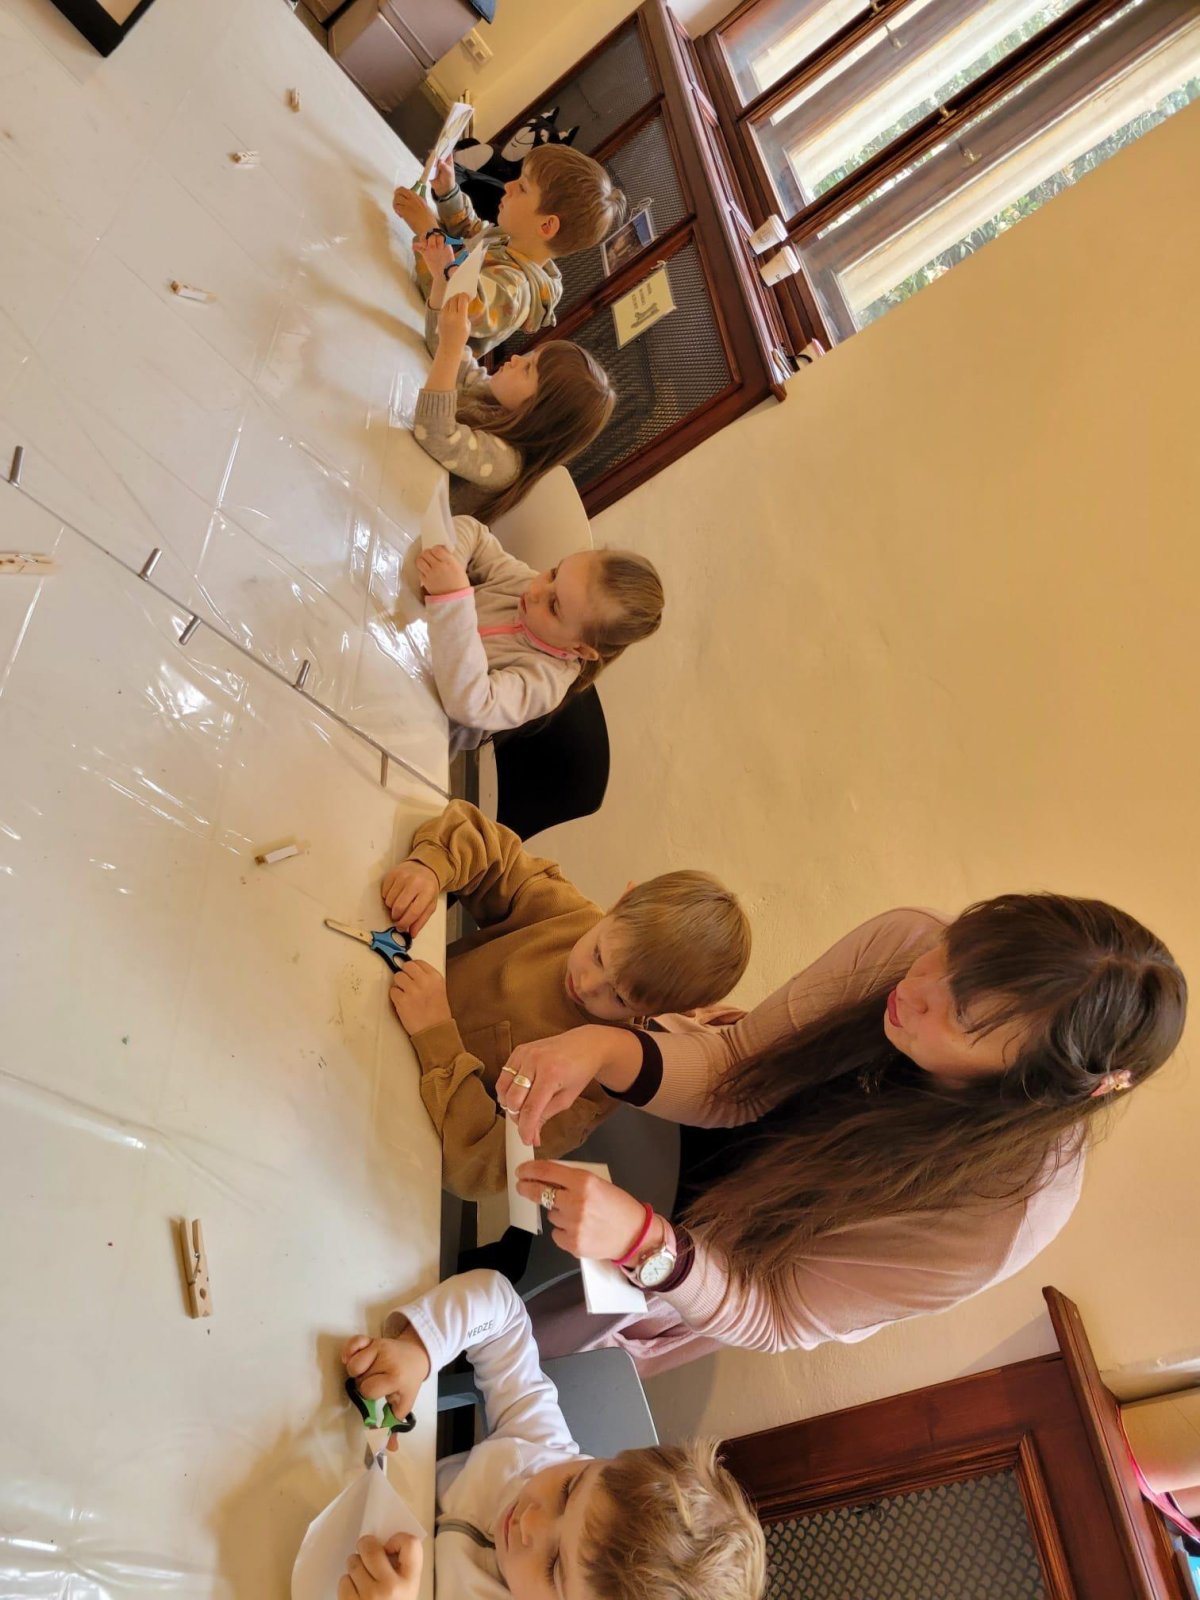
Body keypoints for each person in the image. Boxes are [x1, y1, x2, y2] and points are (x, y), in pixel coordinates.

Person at [484, 896, 1186, 1375]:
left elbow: (774, 1310)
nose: (918, 986)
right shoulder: (908, 942)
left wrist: (645, 1245)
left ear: (1031, 1084)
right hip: (676, 1134)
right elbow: (738, 1072)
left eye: (963, 1015)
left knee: (487, 1323)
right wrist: (603, 1048)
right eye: (951, 953)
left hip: (707, 1264)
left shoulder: (1004, 1211)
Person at [380, 800, 751, 1199]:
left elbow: (482, 1168)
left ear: (660, 1012)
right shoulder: (568, 916)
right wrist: (431, 866)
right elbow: (482, 839)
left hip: (388, 1111)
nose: (588, 984)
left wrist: (437, 1036)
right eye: (598, 955)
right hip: (371, 999)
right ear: (620, 902)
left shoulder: (589, 1088)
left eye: (619, 998)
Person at [334, 1269, 766, 1600]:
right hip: (346, 1476)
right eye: (568, 1490)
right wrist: (421, 1348)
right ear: (604, 1460)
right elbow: (501, 1311)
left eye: (555, 1566)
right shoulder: (542, 1448)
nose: (530, 1521)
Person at [416, 521, 663, 753]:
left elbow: (471, 705)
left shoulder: (544, 682)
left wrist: (453, 601)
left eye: (554, 606)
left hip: (419, 731)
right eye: (554, 574)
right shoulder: (522, 582)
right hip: (407, 656)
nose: (535, 590)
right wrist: (450, 562)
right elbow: (474, 532)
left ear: (580, 649)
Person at [393, 146, 626, 358]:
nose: (508, 186)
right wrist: (448, 192)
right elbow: (472, 232)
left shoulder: (516, 291)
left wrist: (429, 232)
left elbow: (456, 306)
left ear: (546, 226)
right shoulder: (509, 239)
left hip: (416, 352)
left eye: (522, 187)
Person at [413, 294, 615, 521]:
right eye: (529, 357)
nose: (516, 358)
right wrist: (442, 286)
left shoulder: (506, 463)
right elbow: (442, 347)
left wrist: (451, 347)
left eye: (528, 369)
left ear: (539, 413)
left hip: (411, 516)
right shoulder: (495, 399)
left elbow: (434, 433)